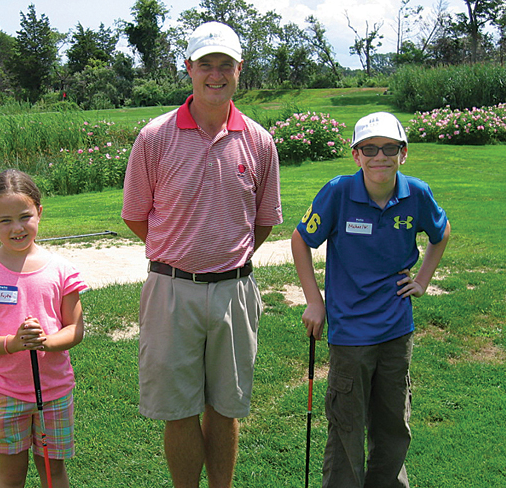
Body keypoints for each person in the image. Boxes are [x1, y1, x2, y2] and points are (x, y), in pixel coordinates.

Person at [121, 21, 282, 488]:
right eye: (205, 65)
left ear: (239, 70)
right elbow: (136, 216)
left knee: (226, 408)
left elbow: (264, 220)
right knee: (178, 410)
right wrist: (181, 250)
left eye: (225, 65)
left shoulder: (258, 140)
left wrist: (224, 254)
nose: (216, 75)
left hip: (234, 290)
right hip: (172, 289)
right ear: (188, 68)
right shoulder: (155, 136)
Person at [291, 112, 451, 488]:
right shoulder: (338, 192)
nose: (381, 156)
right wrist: (315, 301)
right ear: (356, 155)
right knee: (347, 426)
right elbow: (301, 241)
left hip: (397, 331)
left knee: (394, 423)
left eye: (390, 148)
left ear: (403, 153)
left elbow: (440, 234)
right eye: (370, 148)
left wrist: (423, 280)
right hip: (350, 334)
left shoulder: (418, 194)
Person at [0, 169, 88, 488]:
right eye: (5, 220)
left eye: (25, 216)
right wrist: (13, 344)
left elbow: (75, 329)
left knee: (53, 473)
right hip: (5, 393)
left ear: (39, 213)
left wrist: (47, 342)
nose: (16, 228)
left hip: (54, 392)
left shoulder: (62, 270)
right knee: (11, 476)